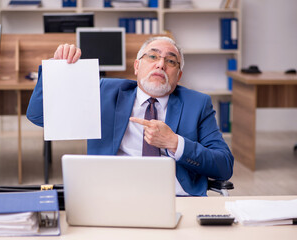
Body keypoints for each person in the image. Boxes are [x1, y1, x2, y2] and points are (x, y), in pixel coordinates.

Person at [27, 36, 234, 196]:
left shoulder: (197, 104)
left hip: (176, 197)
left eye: (171, 61)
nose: (160, 64)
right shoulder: (104, 92)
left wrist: (175, 143)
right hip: (111, 195)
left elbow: (224, 166)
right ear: (137, 66)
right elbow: (39, 116)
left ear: (178, 76)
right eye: (152, 56)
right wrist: (57, 68)